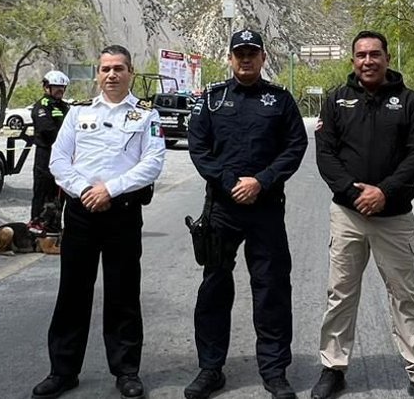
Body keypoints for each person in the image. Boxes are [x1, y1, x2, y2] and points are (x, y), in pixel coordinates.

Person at [312, 30, 414, 399]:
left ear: (386, 58)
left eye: (375, 54)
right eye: (361, 55)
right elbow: (325, 154)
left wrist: (385, 192)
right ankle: (333, 368)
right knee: (340, 294)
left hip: (395, 216)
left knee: (406, 295)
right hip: (348, 215)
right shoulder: (336, 100)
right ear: (353, 60)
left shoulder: (410, 102)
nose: (368, 61)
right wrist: (354, 193)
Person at [32, 45, 167, 399]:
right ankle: (63, 371)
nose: (112, 75)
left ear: (130, 73)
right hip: (81, 212)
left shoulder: (146, 115)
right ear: (97, 74)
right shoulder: (78, 113)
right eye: (106, 68)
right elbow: (59, 160)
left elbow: (152, 163)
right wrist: (84, 190)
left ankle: (126, 371)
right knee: (72, 293)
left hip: (123, 212)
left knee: (123, 293)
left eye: (119, 68)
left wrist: (110, 189)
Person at [184, 28, 308, 399]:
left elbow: (295, 146)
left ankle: (274, 371)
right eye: (240, 53)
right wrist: (229, 183)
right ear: (230, 58)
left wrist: (262, 181)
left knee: (271, 289)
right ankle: (210, 369)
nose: (246, 59)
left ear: (263, 58)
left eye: (253, 53)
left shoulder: (280, 99)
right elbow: (198, 147)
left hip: (265, 208)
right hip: (222, 209)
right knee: (214, 288)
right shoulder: (212, 99)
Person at [29, 70, 71, 231]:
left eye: (62, 87)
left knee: (59, 193)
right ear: (47, 87)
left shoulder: (65, 106)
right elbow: (47, 130)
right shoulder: (42, 106)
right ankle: (37, 225)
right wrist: (66, 140)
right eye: (56, 87)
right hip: (46, 154)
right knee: (43, 191)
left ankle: (54, 227)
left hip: (63, 156)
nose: (60, 90)